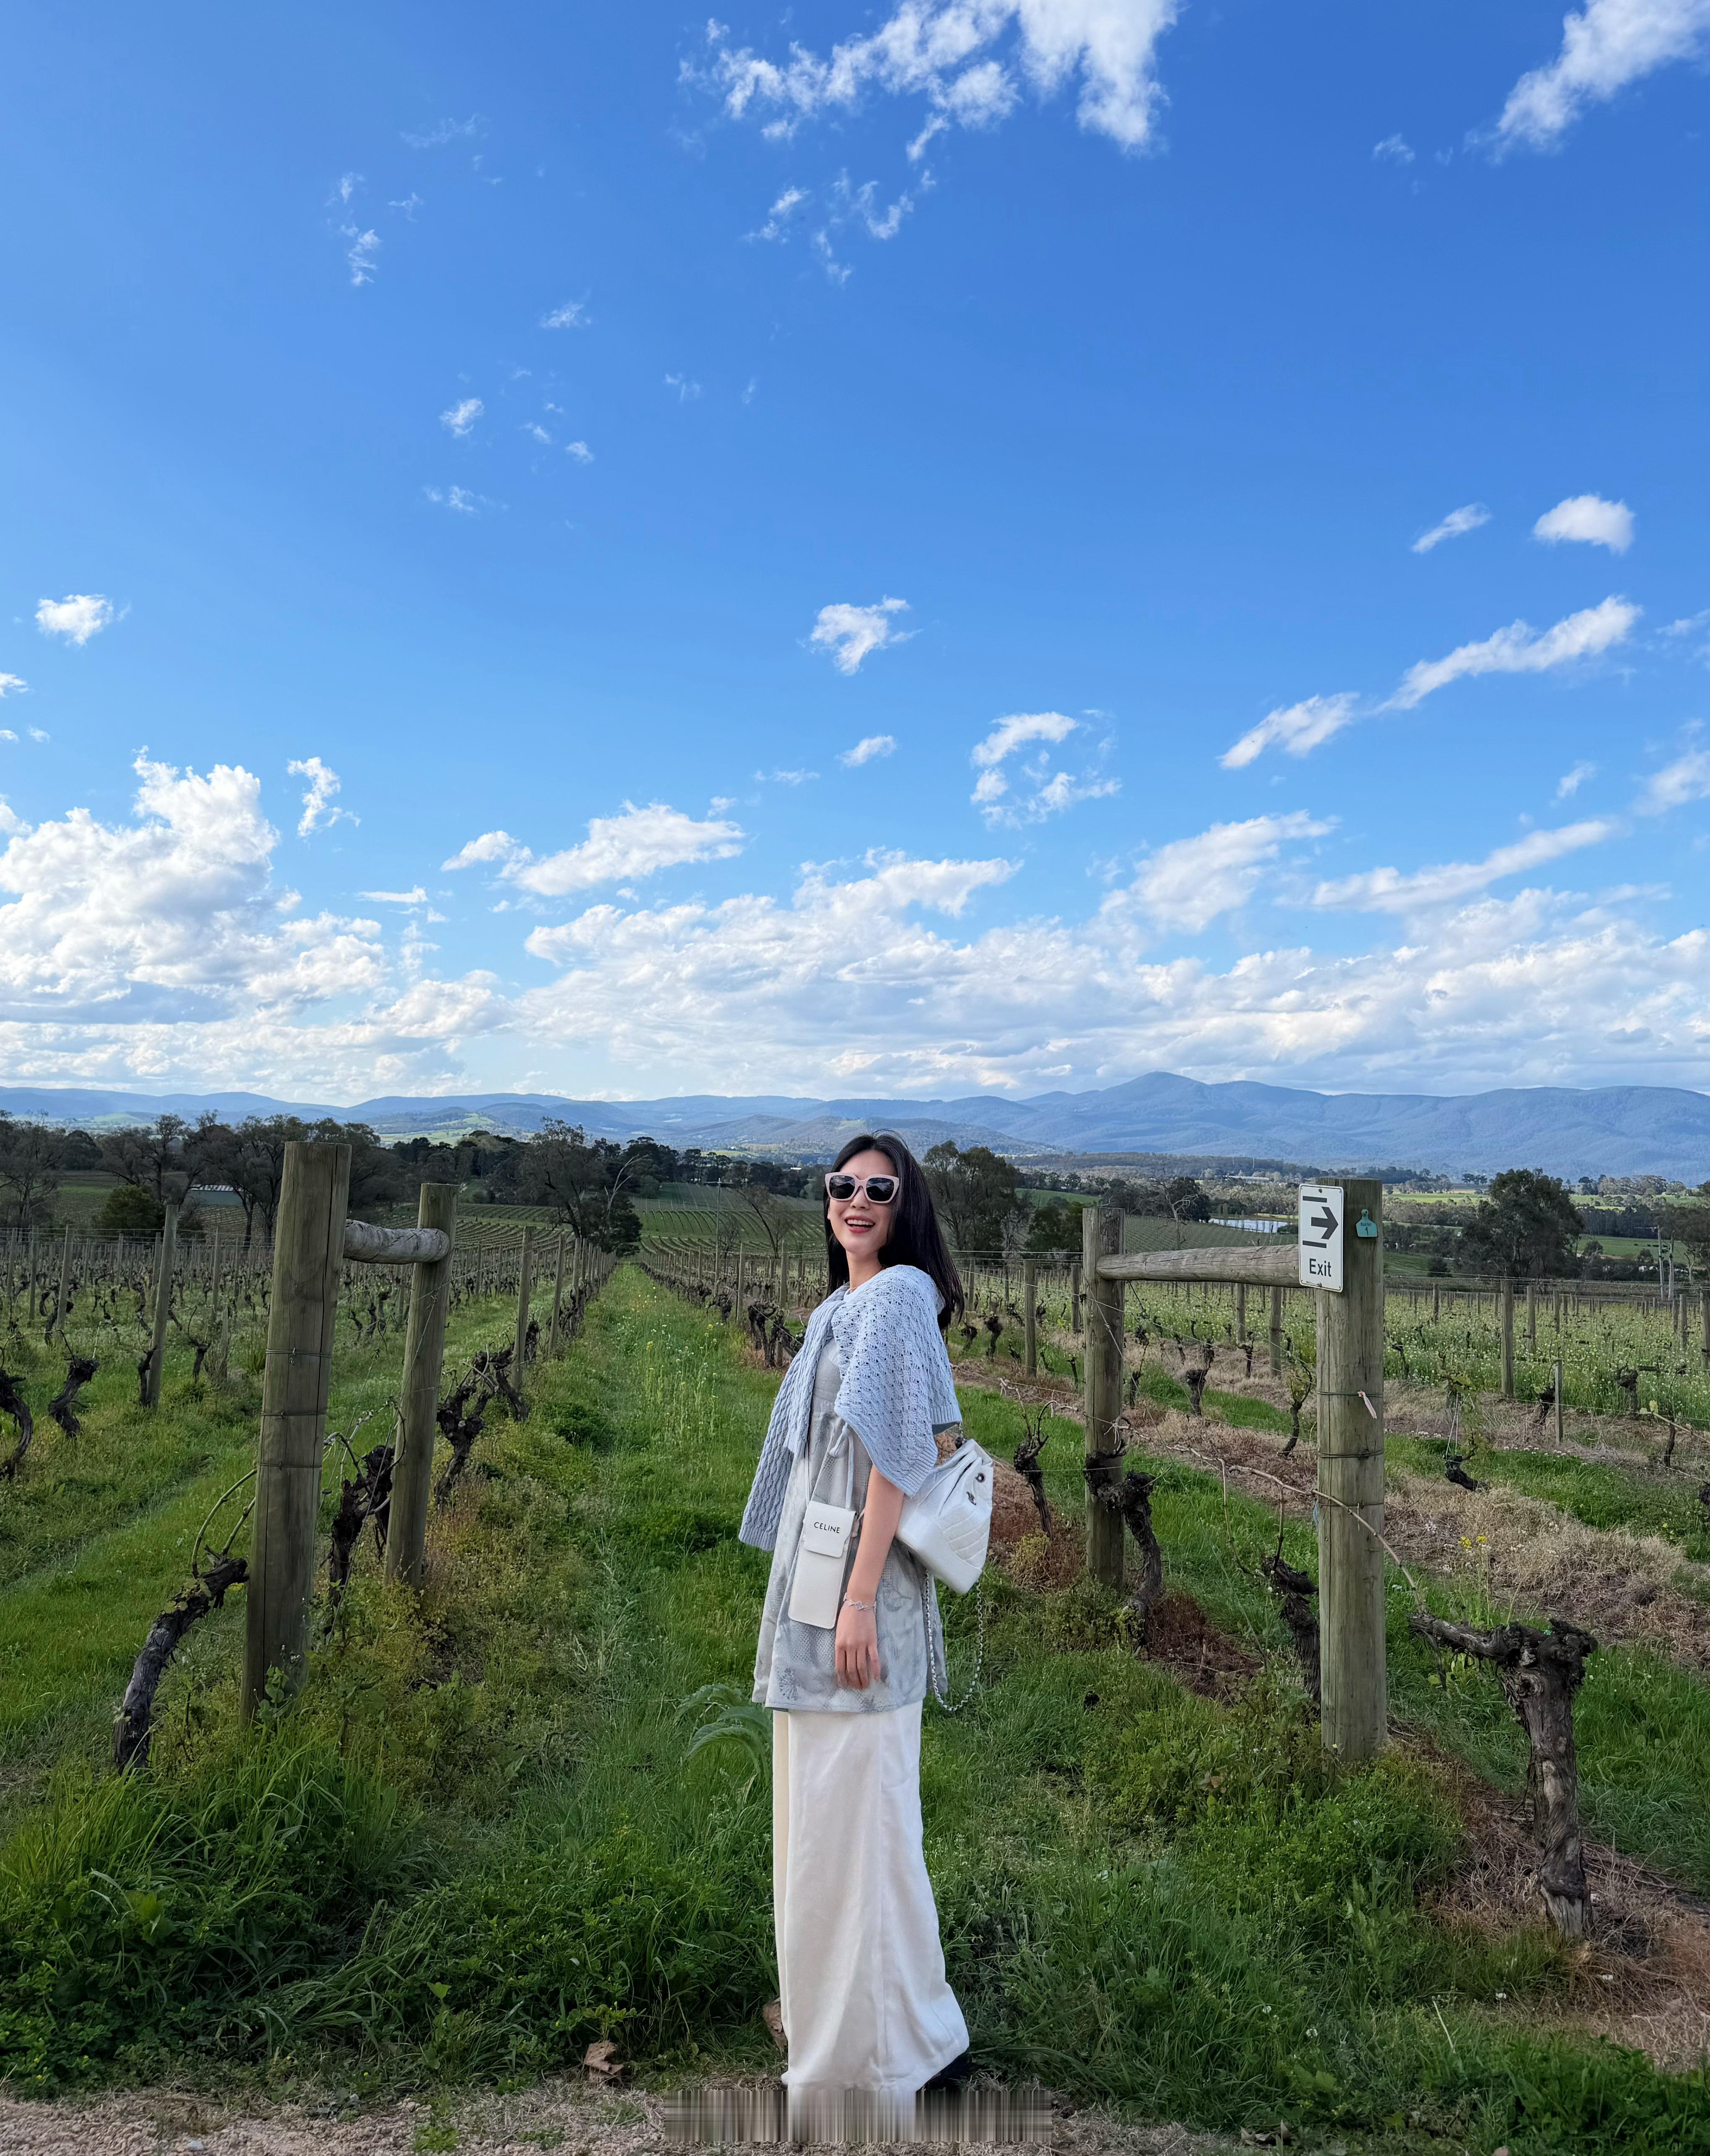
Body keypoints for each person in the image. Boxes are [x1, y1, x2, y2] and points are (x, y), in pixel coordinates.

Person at [739, 1132, 973, 2138]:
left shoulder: (896, 1298)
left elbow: (899, 1456)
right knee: (833, 1823)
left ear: (905, 1203)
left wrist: (861, 1599)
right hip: (817, 1590)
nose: (857, 1199)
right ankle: (910, 2036)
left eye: (880, 1186)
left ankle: (858, 2069)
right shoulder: (840, 1305)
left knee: (853, 1827)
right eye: (842, 1184)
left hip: (854, 1597)